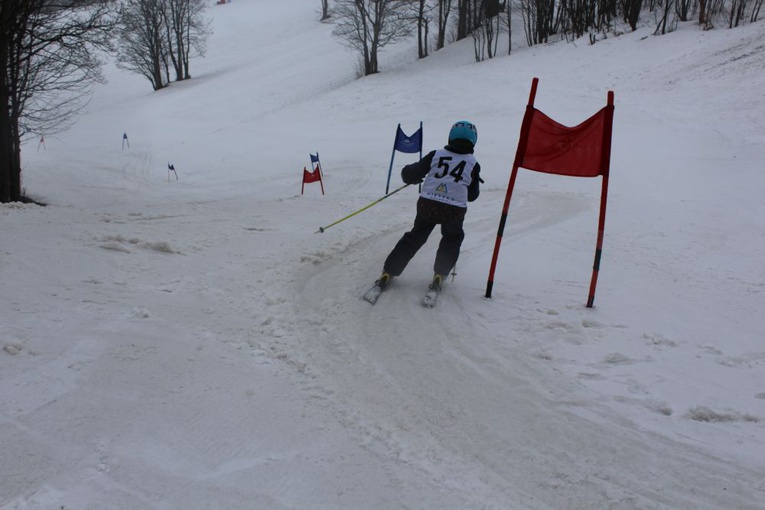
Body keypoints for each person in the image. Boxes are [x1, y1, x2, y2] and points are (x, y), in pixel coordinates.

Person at [375, 120, 482, 294]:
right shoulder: (473, 164)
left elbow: (409, 174)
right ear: (473, 141)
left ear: (450, 137)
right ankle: (440, 274)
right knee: (451, 238)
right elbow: (472, 196)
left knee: (415, 237)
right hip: (453, 209)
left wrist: (413, 177)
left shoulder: (436, 155)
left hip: (428, 204)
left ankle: (389, 271)